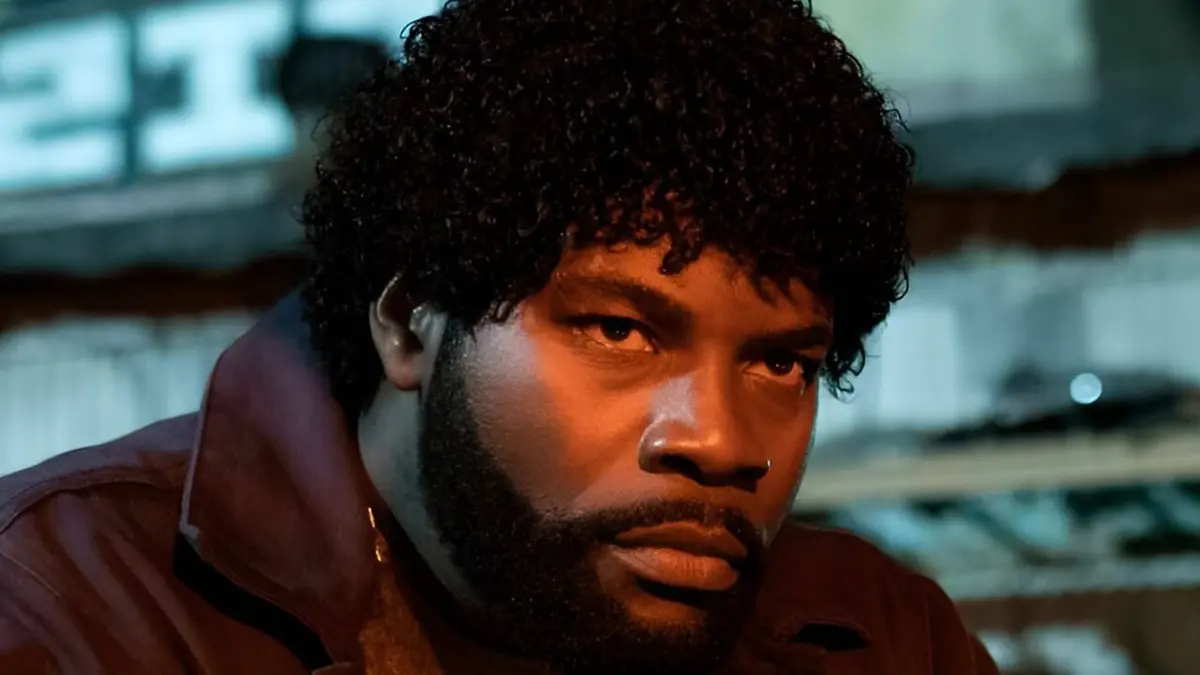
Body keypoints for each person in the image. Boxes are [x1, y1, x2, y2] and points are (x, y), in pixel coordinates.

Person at [0, 0, 1000, 673]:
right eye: (620, 330)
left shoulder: (881, 637)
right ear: (409, 322)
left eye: (781, 361)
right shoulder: (70, 609)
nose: (722, 441)